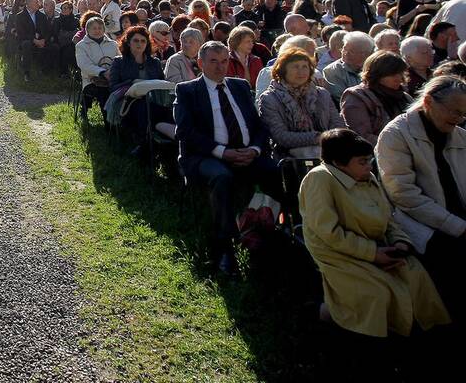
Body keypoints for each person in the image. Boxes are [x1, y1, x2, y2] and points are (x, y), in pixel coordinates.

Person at [299, 128, 449, 338]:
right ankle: (326, 314)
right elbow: (329, 233)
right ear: (340, 163)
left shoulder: (366, 176)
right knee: (378, 293)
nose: (369, 166)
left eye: (369, 161)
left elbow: (387, 218)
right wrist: (372, 254)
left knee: (415, 276)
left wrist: (400, 243)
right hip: (338, 252)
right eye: (362, 162)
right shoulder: (319, 179)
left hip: (377, 245)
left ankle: (422, 331)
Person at [174, 41, 282, 275]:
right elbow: (185, 132)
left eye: (224, 61)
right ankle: (225, 246)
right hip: (207, 156)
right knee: (222, 177)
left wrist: (254, 149)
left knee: (276, 171)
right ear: (200, 63)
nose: (220, 67)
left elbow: (258, 126)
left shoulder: (240, 86)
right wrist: (223, 152)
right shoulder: (188, 91)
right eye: (213, 61)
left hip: (245, 152)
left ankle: (270, 232)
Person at [376, 76, 466, 319]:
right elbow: (404, 195)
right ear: (428, 102)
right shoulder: (396, 135)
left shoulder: (459, 136)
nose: (459, 119)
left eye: (463, 114)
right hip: (418, 223)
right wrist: (457, 226)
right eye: (454, 112)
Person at [257, 47, 343, 160]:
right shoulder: (270, 98)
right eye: (295, 67)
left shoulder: (322, 94)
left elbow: (337, 124)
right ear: (283, 70)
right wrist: (318, 138)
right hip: (289, 156)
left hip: (328, 150)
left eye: (305, 67)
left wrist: (330, 139)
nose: (301, 72)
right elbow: (281, 136)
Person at [341, 51, 412, 146]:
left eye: (400, 73)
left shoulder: (404, 97)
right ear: (377, 75)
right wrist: (399, 146)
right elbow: (362, 136)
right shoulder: (357, 97)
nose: (398, 78)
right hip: (377, 154)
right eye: (392, 74)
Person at [75, 16, 120, 120]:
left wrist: (113, 73)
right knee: (103, 92)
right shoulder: (81, 46)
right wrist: (102, 72)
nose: (97, 31)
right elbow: (84, 64)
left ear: (104, 30)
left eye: (100, 28)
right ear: (87, 30)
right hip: (91, 79)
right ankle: (109, 121)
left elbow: (118, 60)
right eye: (94, 28)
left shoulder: (113, 44)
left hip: (112, 78)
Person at [323, 31, 374, 105]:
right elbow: (344, 99)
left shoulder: (374, 67)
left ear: (365, 54)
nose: (345, 53)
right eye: (344, 49)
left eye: (351, 51)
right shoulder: (332, 71)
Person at [15, 0, 56, 83]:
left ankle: (46, 70)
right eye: (36, 2)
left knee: (54, 47)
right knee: (27, 44)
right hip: (27, 41)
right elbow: (21, 33)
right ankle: (27, 73)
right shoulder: (20, 16)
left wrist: (43, 40)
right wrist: (34, 40)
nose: (39, 4)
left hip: (41, 40)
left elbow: (48, 30)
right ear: (29, 4)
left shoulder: (41, 15)